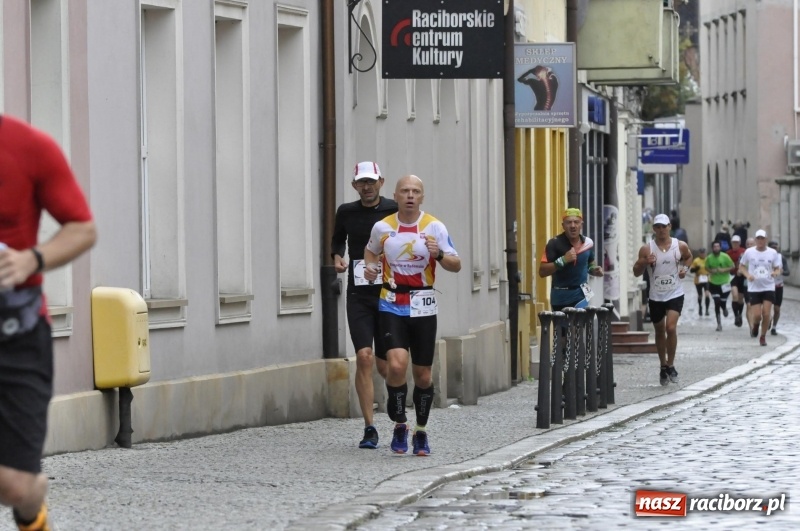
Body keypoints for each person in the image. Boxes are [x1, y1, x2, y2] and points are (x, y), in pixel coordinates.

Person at [0, 115, 97, 531]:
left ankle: (32, 515)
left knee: (17, 487)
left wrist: (31, 259)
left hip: (17, 338)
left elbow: (82, 228)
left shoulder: (29, 146)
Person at [363, 175, 461, 456]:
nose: (410, 195)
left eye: (415, 191)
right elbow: (370, 253)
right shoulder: (383, 227)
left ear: (422, 197)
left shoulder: (434, 227)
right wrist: (370, 269)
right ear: (395, 195)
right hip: (391, 300)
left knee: (423, 375)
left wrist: (439, 254)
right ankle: (400, 424)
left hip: (423, 303)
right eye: (405, 191)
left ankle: (420, 430)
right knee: (395, 366)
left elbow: (456, 264)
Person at [331, 161, 398, 449]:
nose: (367, 186)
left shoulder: (394, 209)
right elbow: (337, 241)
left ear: (381, 181)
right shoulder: (346, 211)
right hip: (359, 293)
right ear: (354, 185)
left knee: (387, 366)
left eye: (371, 181)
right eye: (362, 182)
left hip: (389, 292)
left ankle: (396, 410)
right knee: (365, 356)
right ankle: (370, 426)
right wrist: (337, 258)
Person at [632, 213, 692, 386]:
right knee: (659, 331)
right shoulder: (647, 249)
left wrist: (684, 270)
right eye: (657, 227)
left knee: (670, 327)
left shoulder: (679, 246)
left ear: (669, 227)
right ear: (654, 229)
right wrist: (644, 262)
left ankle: (671, 364)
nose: (661, 230)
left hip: (674, 293)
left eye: (664, 226)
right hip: (656, 295)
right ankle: (663, 365)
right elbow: (635, 272)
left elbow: (688, 257)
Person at [538, 208, 604, 311]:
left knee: (578, 324)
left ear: (581, 225)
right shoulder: (554, 244)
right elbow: (542, 271)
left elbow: (590, 261)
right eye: (569, 222)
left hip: (580, 295)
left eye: (576, 222)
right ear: (563, 225)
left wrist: (593, 269)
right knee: (562, 327)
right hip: (560, 297)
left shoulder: (587, 243)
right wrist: (563, 260)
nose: (573, 226)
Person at [738, 230, 782, 346]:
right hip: (754, 288)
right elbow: (741, 266)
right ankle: (756, 325)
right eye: (758, 238)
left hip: (768, 286)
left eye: (762, 238)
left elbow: (778, 268)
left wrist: (775, 273)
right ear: (756, 240)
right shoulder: (749, 252)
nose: (760, 241)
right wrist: (748, 275)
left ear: (766, 239)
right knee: (757, 315)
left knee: (766, 313)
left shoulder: (772, 253)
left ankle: (762, 337)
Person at [704, 241, 734, 331]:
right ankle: (719, 324)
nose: (716, 248)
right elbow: (706, 267)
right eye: (714, 247)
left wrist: (724, 269)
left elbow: (732, 266)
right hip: (714, 283)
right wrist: (710, 271)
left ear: (720, 248)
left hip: (725, 283)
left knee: (722, 302)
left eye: (718, 246)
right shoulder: (709, 258)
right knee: (717, 302)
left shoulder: (725, 256)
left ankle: (724, 308)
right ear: (712, 248)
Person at [768, 240, 790, 335]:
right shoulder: (765, 257)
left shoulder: (782, 258)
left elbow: (787, 272)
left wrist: (781, 272)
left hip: (778, 286)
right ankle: (767, 320)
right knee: (767, 308)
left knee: (776, 309)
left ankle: (774, 327)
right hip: (767, 286)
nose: (774, 249)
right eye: (772, 247)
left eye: (776, 247)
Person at [725, 235, 746, 327]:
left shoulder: (744, 251)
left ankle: (740, 314)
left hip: (741, 277)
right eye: (733, 242)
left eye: (737, 242)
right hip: (732, 276)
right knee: (735, 295)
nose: (735, 244)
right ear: (731, 243)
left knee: (741, 299)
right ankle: (736, 316)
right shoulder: (728, 253)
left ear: (740, 243)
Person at [689, 247, 711, 316]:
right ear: (699, 254)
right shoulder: (696, 260)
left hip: (706, 279)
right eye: (701, 253)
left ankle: (707, 310)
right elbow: (691, 271)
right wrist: (696, 268)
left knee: (707, 294)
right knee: (700, 295)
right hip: (698, 279)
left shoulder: (708, 260)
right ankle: (700, 307)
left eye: (703, 253)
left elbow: (711, 267)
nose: (702, 254)